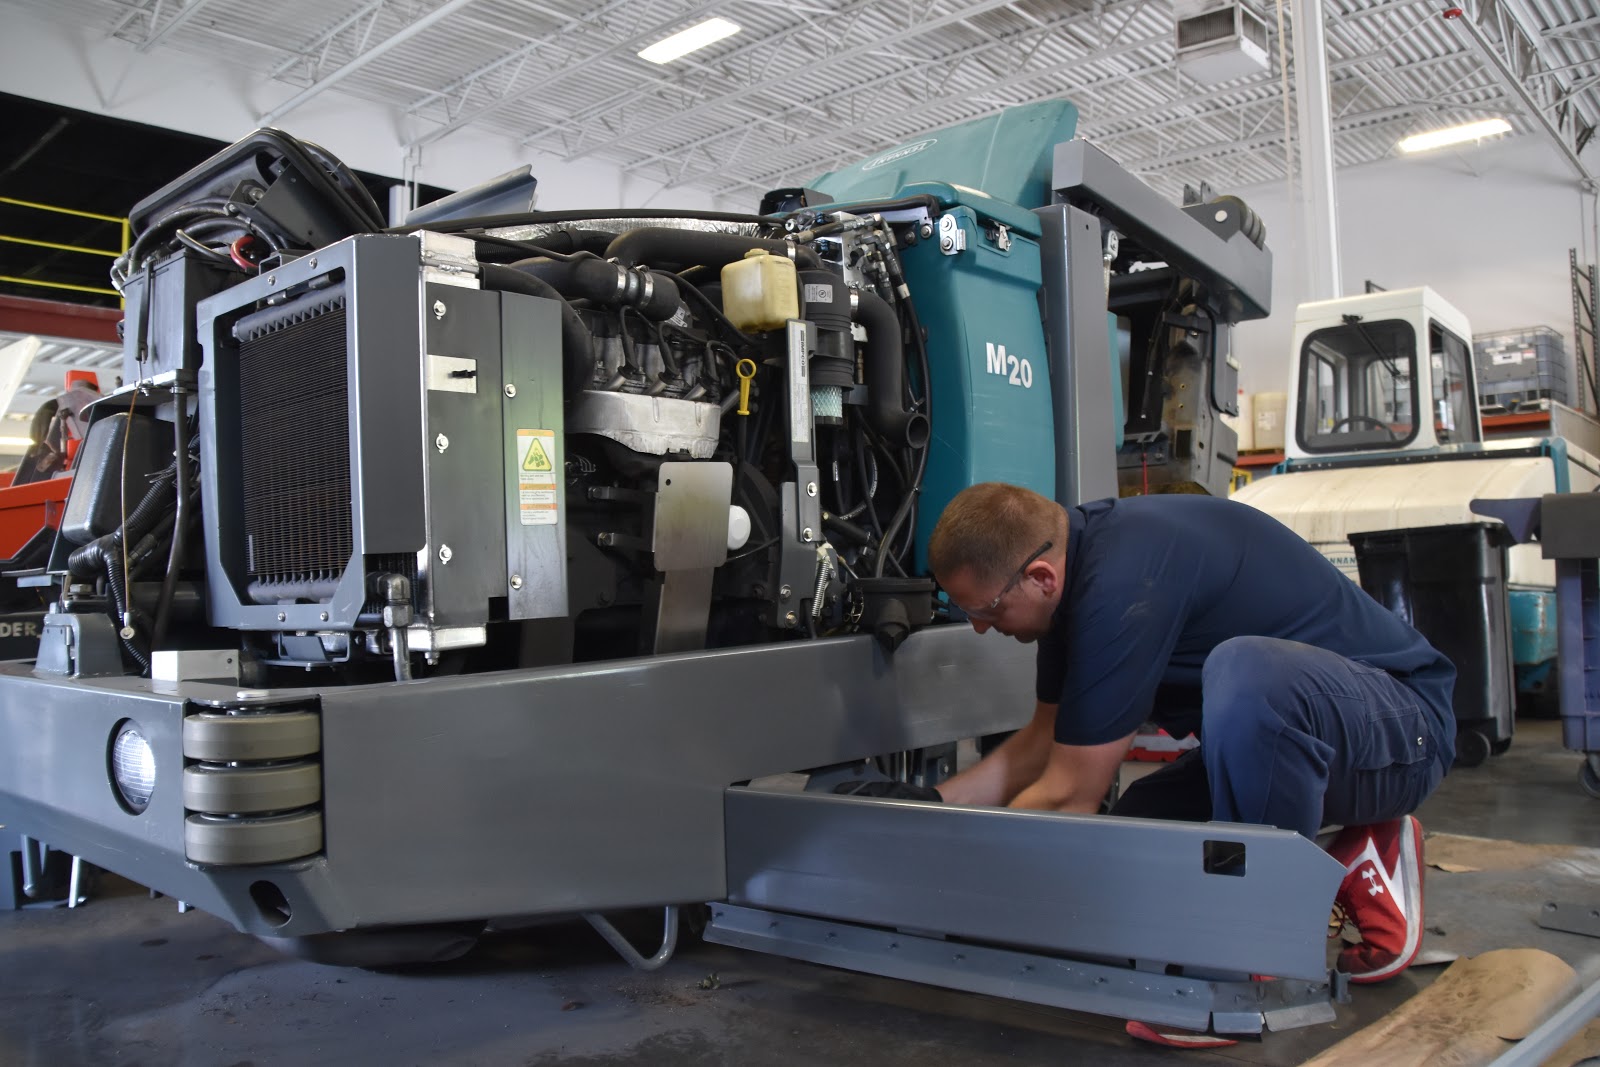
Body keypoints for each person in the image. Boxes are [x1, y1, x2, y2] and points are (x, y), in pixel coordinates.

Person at [924, 483, 1457, 985]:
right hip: (1316, 749)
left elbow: (1069, 794)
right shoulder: (1074, 587)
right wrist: (927, 808)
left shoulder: (1124, 582)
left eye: (984, 610)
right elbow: (1043, 745)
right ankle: (1366, 857)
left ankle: (1256, 956)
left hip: (1404, 731)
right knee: (1145, 830)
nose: (978, 628)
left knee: (1247, 671)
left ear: (1041, 577)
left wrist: (953, 876)